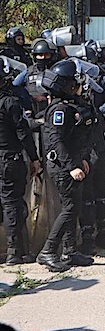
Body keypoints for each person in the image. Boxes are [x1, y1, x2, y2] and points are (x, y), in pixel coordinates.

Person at [36, 60, 95, 272]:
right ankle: (48, 251)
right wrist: (71, 166)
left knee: (74, 208)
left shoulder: (69, 106)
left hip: (72, 162)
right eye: (74, 82)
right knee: (69, 209)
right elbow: (56, 141)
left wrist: (82, 160)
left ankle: (69, 252)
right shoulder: (59, 110)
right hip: (62, 166)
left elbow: (75, 139)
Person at [76, 51, 105, 255]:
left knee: (91, 199)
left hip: (91, 156)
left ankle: (91, 240)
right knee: (99, 197)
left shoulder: (80, 111)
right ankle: (102, 236)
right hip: (99, 154)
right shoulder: (91, 111)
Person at [0, 56, 40, 264]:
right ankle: (15, 252)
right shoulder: (10, 103)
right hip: (9, 159)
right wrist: (34, 158)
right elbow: (23, 133)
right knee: (13, 205)